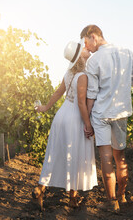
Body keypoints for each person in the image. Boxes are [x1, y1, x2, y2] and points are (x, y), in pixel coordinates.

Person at [80, 25, 133, 213]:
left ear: (93, 37)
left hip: (101, 114)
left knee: (106, 158)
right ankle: (122, 197)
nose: (87, 48)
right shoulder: (127, 52)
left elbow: (91, 95)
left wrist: (87, 121)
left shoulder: (94, 60)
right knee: (120, 157)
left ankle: (111, 202)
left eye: (86, 43)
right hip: (121, 113)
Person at [32, 39, 98, 211]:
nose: (85, 49)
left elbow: (57, 93)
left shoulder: (68, 73)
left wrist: (45, 107)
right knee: (73, 156)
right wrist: (88, 125)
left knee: (53, 153)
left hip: (60, 116)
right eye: (82, 49)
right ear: (80, 56)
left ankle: (40, 188)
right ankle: (72, 199)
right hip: (74, 118)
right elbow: (82, 104)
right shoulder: (82, 76)